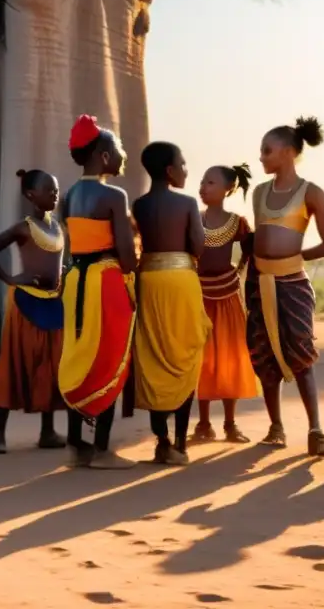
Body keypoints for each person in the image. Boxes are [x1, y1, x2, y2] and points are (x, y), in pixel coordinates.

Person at [247, 117, 324, 457]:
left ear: (287, 152)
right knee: (263, 352)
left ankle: (316, 430)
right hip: (259, 283)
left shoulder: (311, 193)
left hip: (293, 284)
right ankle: (276, 427)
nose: (261, 157)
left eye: (266, 151)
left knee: (301, 354)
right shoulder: (258, 193)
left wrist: (293, 256)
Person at [58, 114, 137, 470]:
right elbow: (126, 254)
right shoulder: (114, 196)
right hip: (106, 281)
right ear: (104, 156)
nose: (123, 155)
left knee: (78, 355)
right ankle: (103, 449)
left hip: (76, 280)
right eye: (118, 149)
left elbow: (71, 244)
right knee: (109, 358)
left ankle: (77, 446)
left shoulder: (69, 195)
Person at [132, 142, 211, 465]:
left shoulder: (138, 205)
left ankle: (161, 440)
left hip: (148, 281)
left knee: (152, 356)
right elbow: (198, 246)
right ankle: (180, 443)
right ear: (169, 170)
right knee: (185, 354)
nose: (186, 169)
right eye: (183, 163)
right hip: (181, 282)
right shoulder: (188, 203)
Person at [0, 168, 67, 454]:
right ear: (31, 195)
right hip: (25, 301)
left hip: (53, 301)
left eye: (56, 189)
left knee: (51, 365)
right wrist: (10, 279)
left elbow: (58, 262)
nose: (54, 194)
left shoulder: (58, 227)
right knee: (15, 363)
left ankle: (48, 431)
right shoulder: (23, 227)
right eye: (48, 189)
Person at [191, 164, 259, 444]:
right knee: (203, 359)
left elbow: (250, 251)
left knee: (231, 357)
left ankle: (230, 423)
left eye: (210, 183)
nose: (203, 187)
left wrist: (239, 271)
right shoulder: (194, 219)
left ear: (227, 189)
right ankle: (204, 423)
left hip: (229, 296)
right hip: (200, 296)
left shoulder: (238, 222)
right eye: (203, 182)